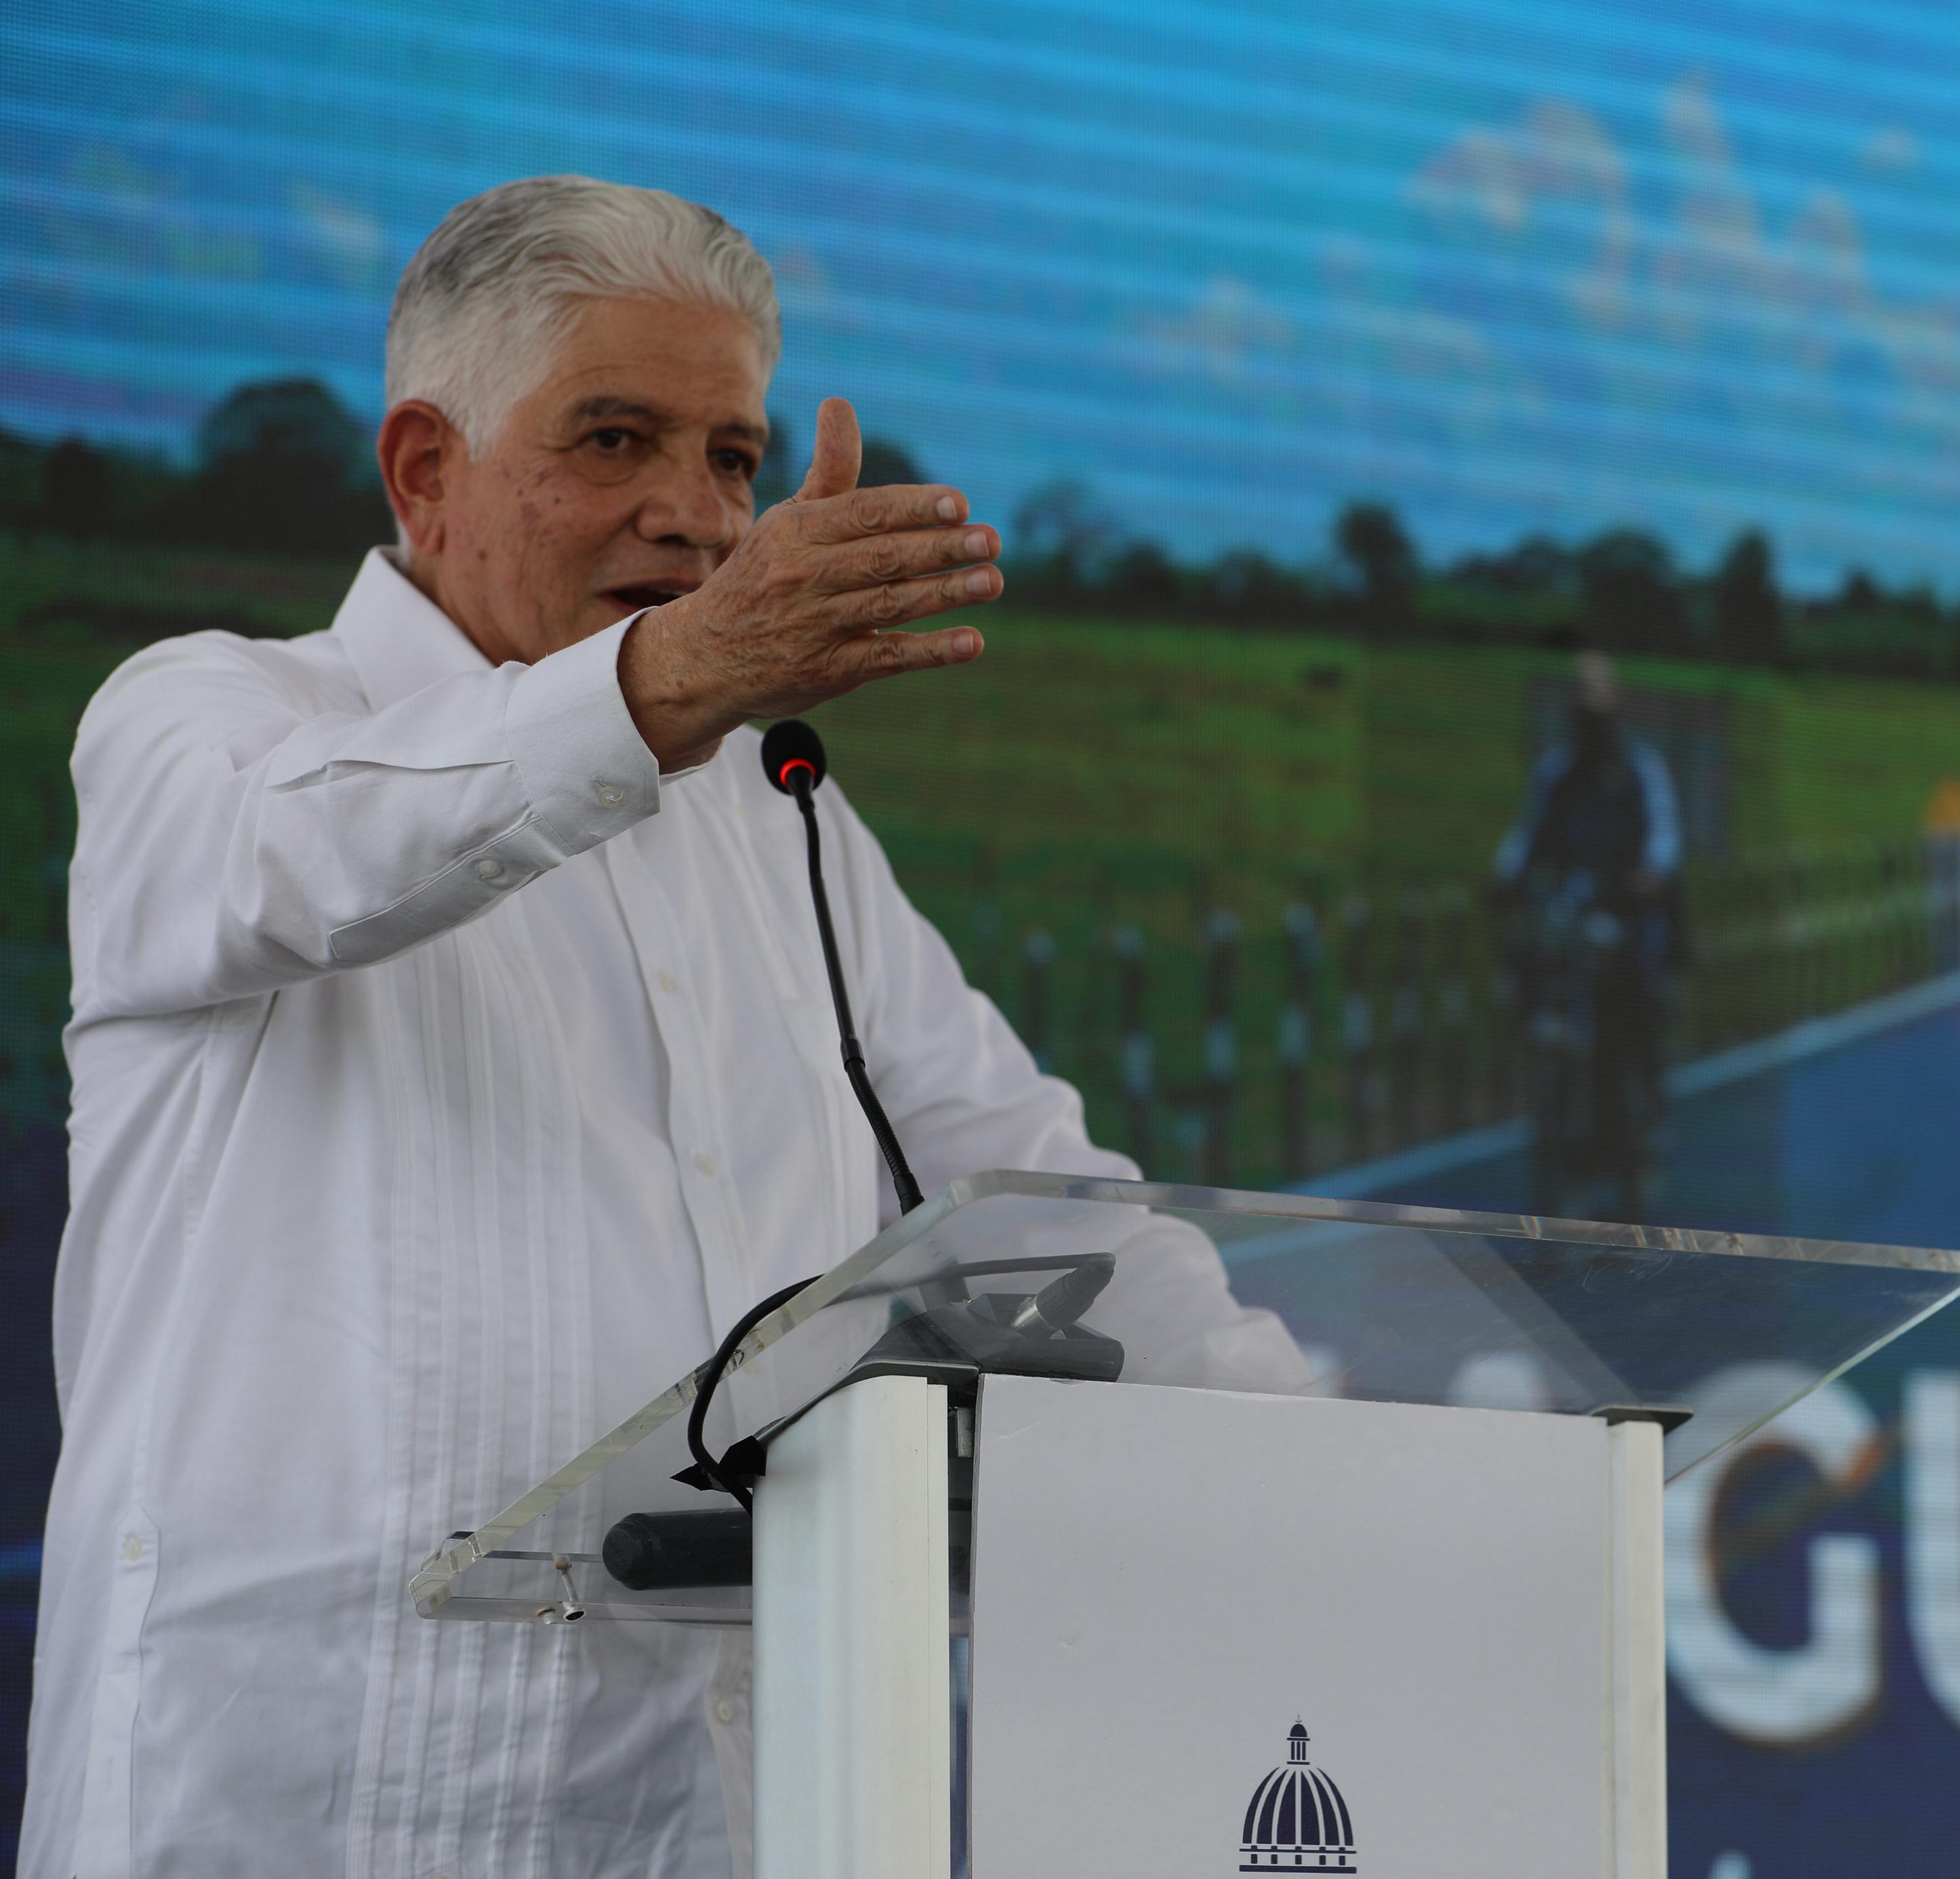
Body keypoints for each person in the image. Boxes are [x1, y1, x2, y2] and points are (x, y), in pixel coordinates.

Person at [23, 175, 1305, 1877]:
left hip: (706, 1814)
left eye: (731, 457)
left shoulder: (779, 819)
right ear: (425, 470)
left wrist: (1329, 1469)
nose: (695, 515)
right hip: (295, 1814)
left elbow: (1035, 1196)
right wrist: (673, 684)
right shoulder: (207, 717)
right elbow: (306, 854)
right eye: (615, 439)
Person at [1491, 652, 1684, 1212]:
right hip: (1571, 910)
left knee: (1637, 998)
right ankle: (1554, 1109)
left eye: (1598, 713)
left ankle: (1642, 1109)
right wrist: (1505, 877)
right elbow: (1526, 834)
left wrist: (1647, 877)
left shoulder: (1641, 769)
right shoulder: (1558, 771)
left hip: (1624, 913)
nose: (1590, 724)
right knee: (1533, 964)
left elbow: (1664, 840)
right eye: (1581, 713)